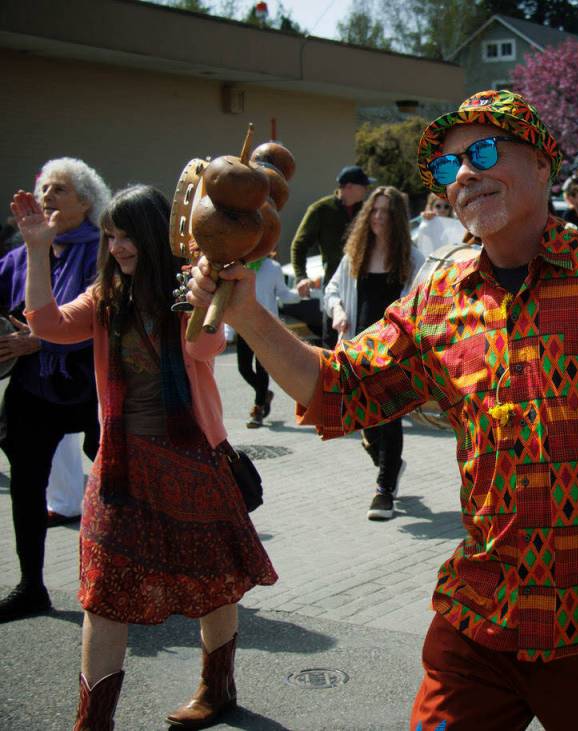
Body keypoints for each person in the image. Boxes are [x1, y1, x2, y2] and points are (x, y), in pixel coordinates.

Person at [187, 89, 578, 730]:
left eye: (485, 152)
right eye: (446, 166)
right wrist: (247, 313)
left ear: (544, 165)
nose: (463, 173)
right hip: (488, 613)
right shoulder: (439, 297)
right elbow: (338, 387)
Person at [16, 185, 277, 729]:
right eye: (110, 235)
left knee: (214, 582)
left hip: (192, 458)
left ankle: (217, 686)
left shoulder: (187, 292)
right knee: (102, 591)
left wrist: (207, 299)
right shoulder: (104, 299)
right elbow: (43, 323)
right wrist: (38, 248)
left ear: (158, 236)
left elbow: (206, 347)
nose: (117, 246)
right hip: (120, 464)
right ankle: (93, 721)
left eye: (128, 234)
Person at [0, 158, 108, 623]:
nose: (46, 197)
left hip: (91, 384)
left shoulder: (103, 250)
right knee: (26, 485)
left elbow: (102, 320)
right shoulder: (20, 254)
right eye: (44, 188)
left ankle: (118, 580)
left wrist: (38, 339)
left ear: (85, 202)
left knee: (113, 485)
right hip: (31, 385)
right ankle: (31, 587)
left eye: (59, 189)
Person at [322, 186, 425, 520]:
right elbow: (333, 289)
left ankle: (384, 491)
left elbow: (424, 299)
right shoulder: (357, 254)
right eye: (374, 210)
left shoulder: (411, 258)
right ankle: (390, 465)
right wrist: (337, 311)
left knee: (389, 416)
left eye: (386, 212)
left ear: (397, 218)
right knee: (366, 421)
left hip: (394, 351)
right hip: (357, 349)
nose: (379, 217)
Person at [289, 165, 370, 348]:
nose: (366, 190)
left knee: (363, 335)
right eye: (363, 185)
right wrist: (301, 276)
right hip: (335, 283)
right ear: (348, 187)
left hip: (366, 281)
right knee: (333, 336)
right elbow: (299, 244)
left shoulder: (367, 210)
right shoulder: (321, 210)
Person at [236, 253, 300, 428]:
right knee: (244, 368)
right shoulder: (238, 267)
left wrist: (299, 294)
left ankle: (258, 410)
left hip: (266, 326)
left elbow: (283, 293)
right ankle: (264, 394)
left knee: (261, 369)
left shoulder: (272, 267)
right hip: (244, 325)